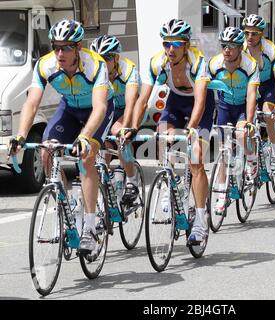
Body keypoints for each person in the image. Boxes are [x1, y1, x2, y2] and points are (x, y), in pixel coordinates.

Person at [9, 19, 114, 253]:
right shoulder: (46, 65)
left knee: (86, 158)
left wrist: (85, 137)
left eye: (66, 47)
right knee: (46, 151)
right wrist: (21, 135)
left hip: (98, 110)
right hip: (69, 109)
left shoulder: (95, 65)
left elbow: (100, 108)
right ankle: (67, 203)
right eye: (56, 46)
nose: (59, 52)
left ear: (78, 48)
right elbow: (32, 102)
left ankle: (89, 226)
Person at [130, 19, 215, 244]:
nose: (170, 49)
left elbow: (200, 102)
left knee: (195, 160)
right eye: (167, 44)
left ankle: (199, 219)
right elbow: (142, 99)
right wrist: (132, 127)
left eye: (176, 44)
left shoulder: (198, 63)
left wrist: (191, 129)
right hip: (176, 103)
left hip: (200, 106)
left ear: (186, 46)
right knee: (161, 137)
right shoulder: (157, 62)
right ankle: (169, 182)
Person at [208, 26, 260, 213]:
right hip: (224, 106)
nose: (227, 50)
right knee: (223, 150)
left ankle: (252, 159)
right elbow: (203, 89)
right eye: (224, 46)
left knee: (240, 134)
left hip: (242, 107)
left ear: (240, 48)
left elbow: (252, 95)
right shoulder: (214, 64)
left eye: (231, 46)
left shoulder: (250, 65)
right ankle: (222, 194)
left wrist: (249, 121)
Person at [90, 35, 141, 204]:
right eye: (98, 58)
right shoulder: (94, 72)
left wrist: (125, 127)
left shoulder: (128, 69)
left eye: (106, 58)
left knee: (118, 135)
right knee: (101, 147)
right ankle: (104, 196)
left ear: (116, 58)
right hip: (110, 109)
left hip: (130, 108)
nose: (101, 62)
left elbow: (131, 100)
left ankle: (132, 181)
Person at [242, 14, 275, 174]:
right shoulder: (242, 48)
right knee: (249, 121)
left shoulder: (270, 49)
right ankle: (251, 159)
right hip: (250, 86)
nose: (249, 37)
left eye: (254, 33)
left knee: (267, 115)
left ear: (261, 34)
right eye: (246, 33)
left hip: (268, 85)